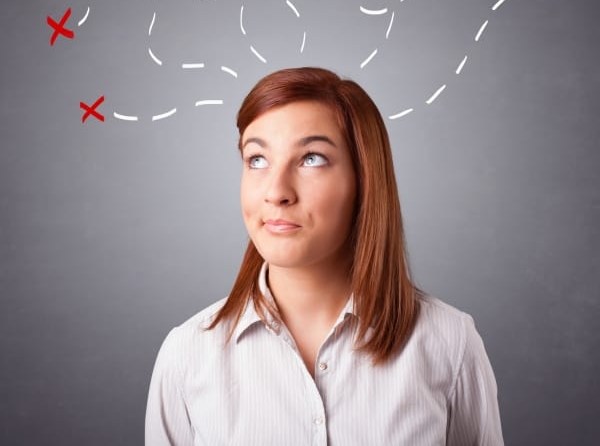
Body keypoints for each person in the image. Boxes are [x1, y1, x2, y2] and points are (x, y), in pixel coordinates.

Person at [145, 66, 504, 445]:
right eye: (257, 159)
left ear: (364, 180)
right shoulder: (187, 354)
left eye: (311, 158)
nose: (276, 192)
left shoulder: (448, 343)